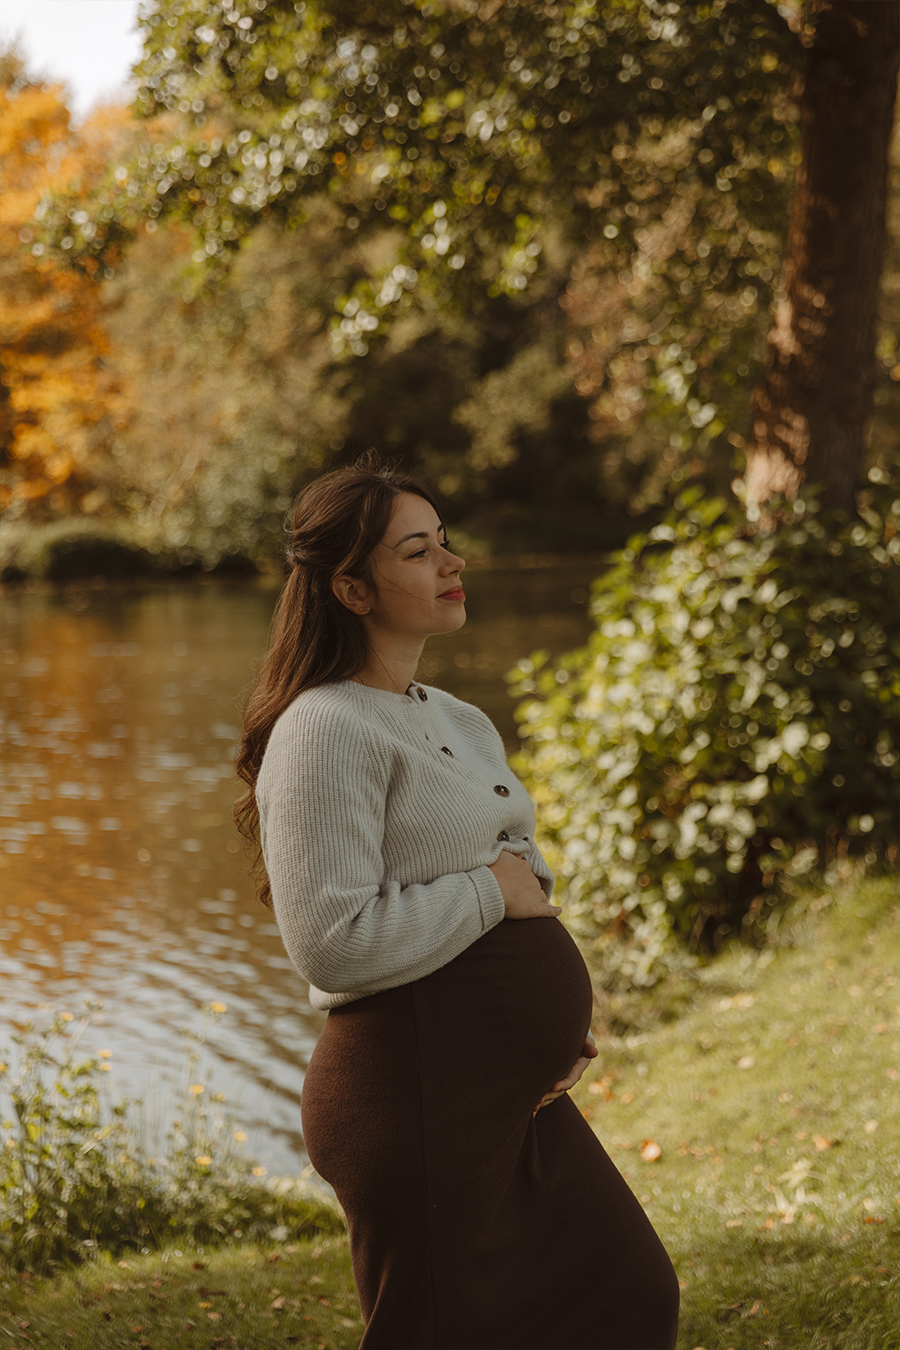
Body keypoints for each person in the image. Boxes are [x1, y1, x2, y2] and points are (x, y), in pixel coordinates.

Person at [235, 461, 679, 1350]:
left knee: (626, 1293)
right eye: (417, 550)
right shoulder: (324, 727)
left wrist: (544, 1028)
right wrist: (488, 896)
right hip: (414, 1090)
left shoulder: (462, 719)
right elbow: (331, 944)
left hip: (503, 1086)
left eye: (444, 540)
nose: (451, 561)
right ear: (352, 587)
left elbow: (528, 877)